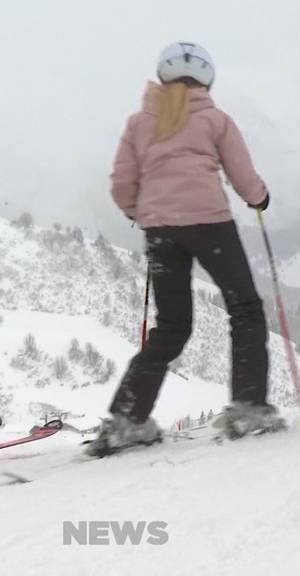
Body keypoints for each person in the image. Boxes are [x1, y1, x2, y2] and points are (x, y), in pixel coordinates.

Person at [88, 42, 281, 456]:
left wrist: (138, 211)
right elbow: (243, 176)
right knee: (244, 309)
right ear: (206, 78)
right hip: (210, 223)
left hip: (161, 231)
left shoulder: (139, 123)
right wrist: (259, 198)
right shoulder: (216, 119)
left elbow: (123, 183)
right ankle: (248, 408)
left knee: (172, 327)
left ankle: (127, 420)